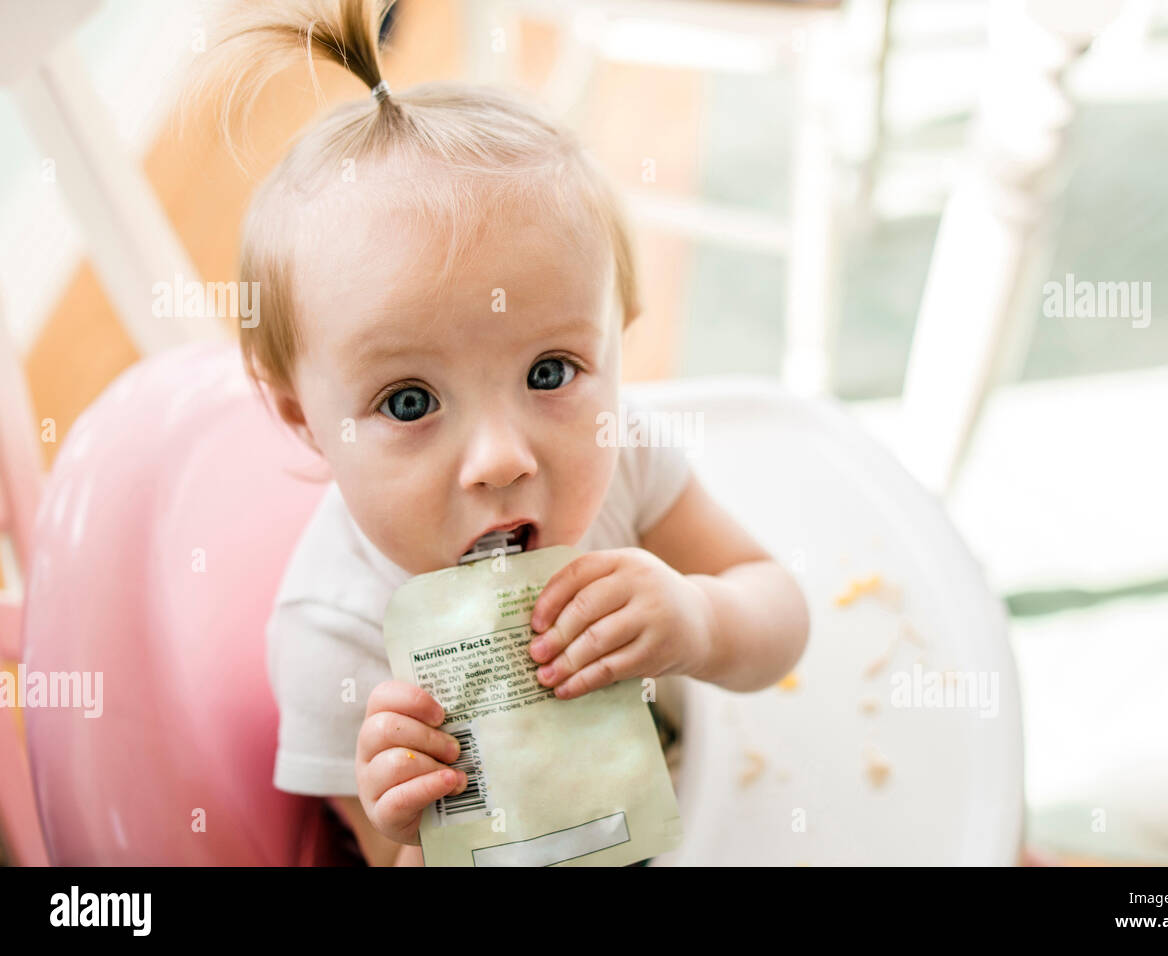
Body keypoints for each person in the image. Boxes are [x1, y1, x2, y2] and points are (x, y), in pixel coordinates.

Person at [188, 0, 809, 866]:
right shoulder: (335, 635)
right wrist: (412, 827)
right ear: (308, 423)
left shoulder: (624, 455)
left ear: (620, 336)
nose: (501, 459)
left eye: (550, 373)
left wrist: (702, 618)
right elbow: (386, 856)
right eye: (409, 402)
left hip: (721, 793)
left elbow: (779, 612)